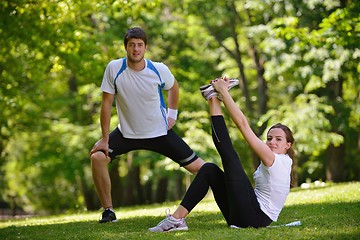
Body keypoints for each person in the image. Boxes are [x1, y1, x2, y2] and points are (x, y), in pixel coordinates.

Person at [90, 27, 206, 223]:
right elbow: (106, 104)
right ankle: (108, 211)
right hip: (126, 134)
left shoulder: (159, 69)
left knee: (203, 169)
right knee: (97, 158)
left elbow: (174, 87)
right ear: (125, 47)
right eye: (132, 45)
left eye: (140, 45)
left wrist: (172, 115)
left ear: (145, 48)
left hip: (160, 133)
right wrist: (104, 138)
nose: (136, 49)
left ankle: (232, 197)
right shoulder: (114, 68)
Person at [149, 77, 295, 232]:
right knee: (209, 169)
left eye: (278, 139)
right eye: (270, 138)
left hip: (255, 217)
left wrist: (225, 92)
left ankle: (217, 93)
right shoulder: (278, 159)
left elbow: (243, 125)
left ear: (288, 145)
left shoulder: (277, 160)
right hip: (242, 215)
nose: (272, 142)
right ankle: (212, 97)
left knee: (229, 155)